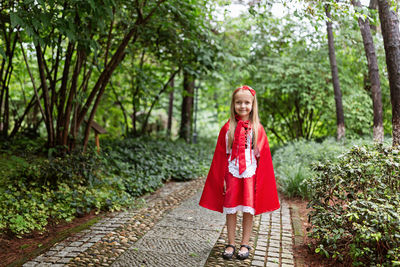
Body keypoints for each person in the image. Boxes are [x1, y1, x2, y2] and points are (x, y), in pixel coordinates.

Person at [199, 85, 280, 260]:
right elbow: (221, 155)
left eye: (246, 103)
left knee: (248, 209)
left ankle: (245, 243)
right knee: (231, 209)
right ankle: (230, 243)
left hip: (250, 173)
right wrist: (222, 179)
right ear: (233, 104)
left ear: (252, 105)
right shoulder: (227, 128)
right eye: (238, 102)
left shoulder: (258, 129)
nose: (242, 106)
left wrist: (260, 180)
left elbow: (262, 158)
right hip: (232, 172)